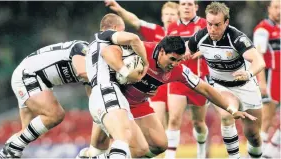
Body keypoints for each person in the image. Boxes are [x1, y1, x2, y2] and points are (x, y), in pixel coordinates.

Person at [77, 36, 257, 159]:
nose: (175, 65)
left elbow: (205, 89)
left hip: (139, 104)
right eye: (172, 59)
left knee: (159, 145)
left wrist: (231, 108)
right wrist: (123, 71)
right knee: (112, 147)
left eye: (179, 60)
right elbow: (107, 50)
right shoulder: (142, 51)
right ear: (161, 51)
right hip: (116, 101)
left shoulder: (178, 70)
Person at [188, 2, 266, 158]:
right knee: (226, 115)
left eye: (217, 25)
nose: (212, 29)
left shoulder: (236, 38)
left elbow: (259, 61)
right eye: (209, 24)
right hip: (221, 86)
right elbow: (184, 51)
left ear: (226, 22)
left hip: (246, 86)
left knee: (253, 136)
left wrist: (248, 74)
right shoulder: (199, 36)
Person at [0, 40, 90, 158]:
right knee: (55, 114)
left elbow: (95, 103)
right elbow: (82, 72)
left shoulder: (91, 63)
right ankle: (10, 150)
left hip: (32, 75)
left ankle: (6, 154)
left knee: (27, 132)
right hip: (28, 75)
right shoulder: (84, 50)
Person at [85, 13, 151, 159]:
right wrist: (145, 62)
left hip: (106, 94)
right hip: (107, 91)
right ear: (115, 28)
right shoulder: (104, 36)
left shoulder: (92, 47)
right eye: (123, 30)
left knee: (140, 148)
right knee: (122, 139)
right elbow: (134, 38)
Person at [149, 0, 210, 158]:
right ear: (180, 7)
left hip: (198, 79)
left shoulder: (205, 24)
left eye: (190, 4)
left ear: (195, 7)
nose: (186, 7)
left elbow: (214, 44)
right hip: (177, 79)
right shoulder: (173, 27)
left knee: (198, 124)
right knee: (174, 120)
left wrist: (199, 52)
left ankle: (201, 150)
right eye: (183, 4)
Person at [253, 0, 280, 157]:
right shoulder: (263, 29)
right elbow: (258, 56)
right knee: (267, 118)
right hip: (271, 76)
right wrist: (262, 82)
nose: (279, 11)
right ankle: (256, 154)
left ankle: (270, 152)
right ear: (269, 9)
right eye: (276, 7)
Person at [105, 0, 179, 42]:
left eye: (172, 14)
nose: (169, 17)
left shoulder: (185, 34)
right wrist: (120, 9)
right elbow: (134, 21)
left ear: (179, 17)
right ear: (162, 17)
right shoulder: (155, 29)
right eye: (166, 14)